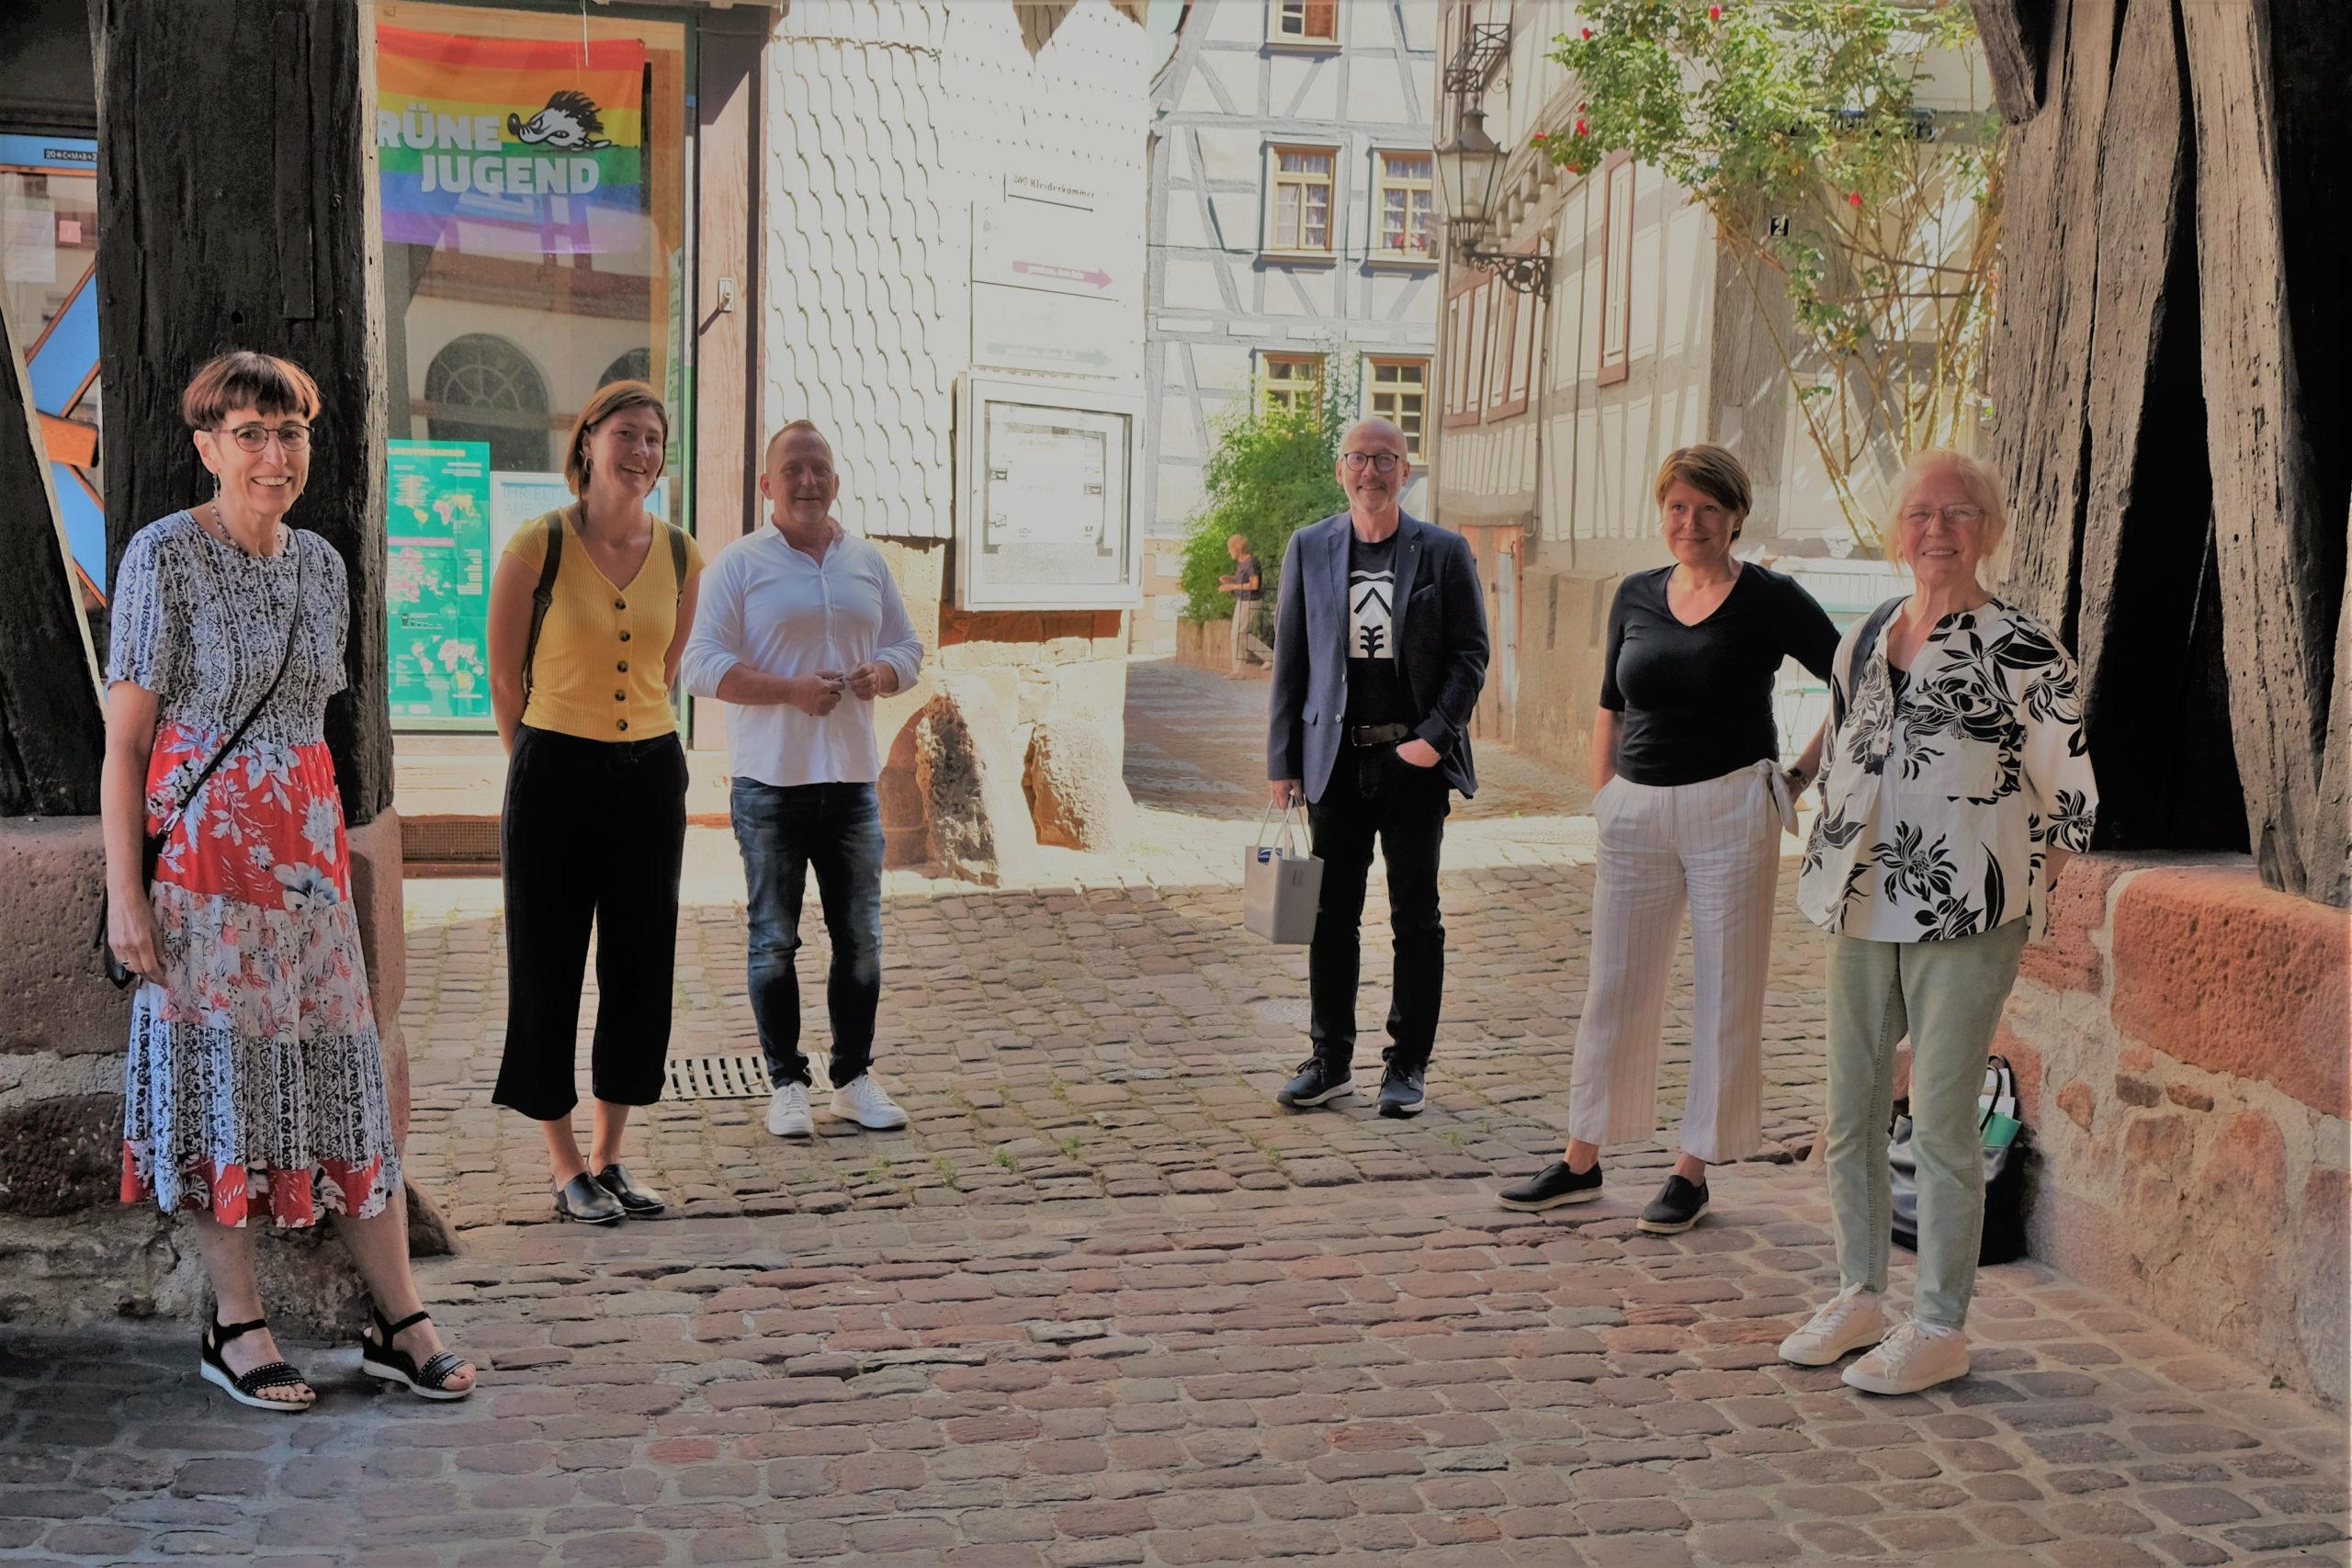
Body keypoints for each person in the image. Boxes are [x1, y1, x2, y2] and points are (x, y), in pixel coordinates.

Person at [102, 351, 473, 1408]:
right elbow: (126, 745)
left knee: (346, 1089)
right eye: (250, 433)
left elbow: (315, 728)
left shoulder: (322, 564)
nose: (274, 454)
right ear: (208, 447)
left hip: (307, 885)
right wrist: (128, 894)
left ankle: (398, 1321)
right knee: (224, 1090)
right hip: (204, 884)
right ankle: (237, 1323)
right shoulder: (162, 557)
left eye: (291, 432)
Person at [1779, 449, 2097, 1395]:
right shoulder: (1866, 633)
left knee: (1946, 1118)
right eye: (1920, 513)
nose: (1937, 530)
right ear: (1897, 530)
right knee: (1850, 1111)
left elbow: (2070, 797)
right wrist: (1801, 791)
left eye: (1958, 514)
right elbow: (1843, 736)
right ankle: (1860, 1296)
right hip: (1856, 897)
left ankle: (1941, 1324)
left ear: (1987, 530)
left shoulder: (2024, 648)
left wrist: (2022, 888)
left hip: (1967, 908)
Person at [1499, 446, 1839, 1234]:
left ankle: (1692, 1169)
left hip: (1732, 810)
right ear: (1664, 512)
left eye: (1709, 510)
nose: (1692, 524)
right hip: (1636, 813)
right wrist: (1605, 796)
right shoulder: (1635, 594)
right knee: (1615, 985)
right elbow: (1610, 703)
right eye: (1678, 508)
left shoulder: (1770, 598)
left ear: (1736, 517)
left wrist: (1799, 776)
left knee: (1727, 991)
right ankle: (1582, 1158)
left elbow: (1856, 679)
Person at [485, 379, 702, 1225]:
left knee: (641, 967)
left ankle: (612, 1157)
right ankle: (564, 1162)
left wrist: (634, 751)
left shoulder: (684, 554)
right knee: (547, 966)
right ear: (587, 444)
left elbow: (666, 668)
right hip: (554, 770)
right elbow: (505, 674)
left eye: (654, 438)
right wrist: (533, 764)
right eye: (627, 434)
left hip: (652, 773)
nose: (642, 452)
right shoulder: (538, 542)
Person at [682, 421, 924, 1139]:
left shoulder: (868, 563)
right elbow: (698, 664)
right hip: (769, 783)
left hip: (851, 781)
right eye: (793, 470)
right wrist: (788, 688)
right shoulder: (739, 564)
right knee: (773, 941)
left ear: (836, 479)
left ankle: (851, 1078)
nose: (808, 481)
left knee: (861, 940)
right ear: (767, 485)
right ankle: (787, 1081)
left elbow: (908, 647)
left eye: (819, 468)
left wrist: (884, 671)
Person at [1266, 417, 1488, 1118]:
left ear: (1406, 470)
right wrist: (1283, 760)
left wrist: (1431, 739)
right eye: (1359, 459)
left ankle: (1407, 1064)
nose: (1372, 471)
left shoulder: (1444, 552)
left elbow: (1470, 656)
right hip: (1333, 760)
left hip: (1413, 762)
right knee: (1330, 917)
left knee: (1415, 918)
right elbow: (1291, 660)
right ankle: (1330, 1059)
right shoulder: (1309, 548)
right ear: (1341, 470)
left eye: (1386, 459)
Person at [1218, 534, 1263, 676]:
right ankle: (1238, 671)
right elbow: (1244, 579)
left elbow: (1254, 585)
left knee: (1239, 634)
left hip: (1251, 601)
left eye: (1230, 548)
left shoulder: (1251, 562)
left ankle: (1270, 656)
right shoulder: (1243, 563)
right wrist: (1230, 579)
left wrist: (1232, 586)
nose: (1229, 551)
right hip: (1242, 600)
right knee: (1236, 635)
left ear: (1237, 548)